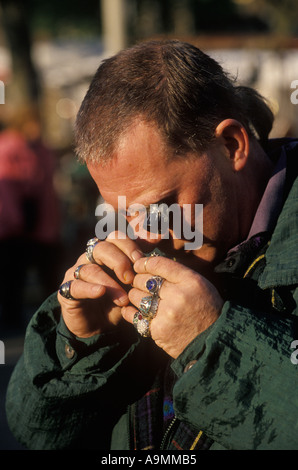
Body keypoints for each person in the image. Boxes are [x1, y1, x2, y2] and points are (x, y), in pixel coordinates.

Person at [5, 40, 298, 450]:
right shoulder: (143, 240)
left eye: (160, 205)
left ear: (231, 144)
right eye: (122, 213)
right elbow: (35, 432)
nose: (145, 233)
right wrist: (79, 345)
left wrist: (211, 343)